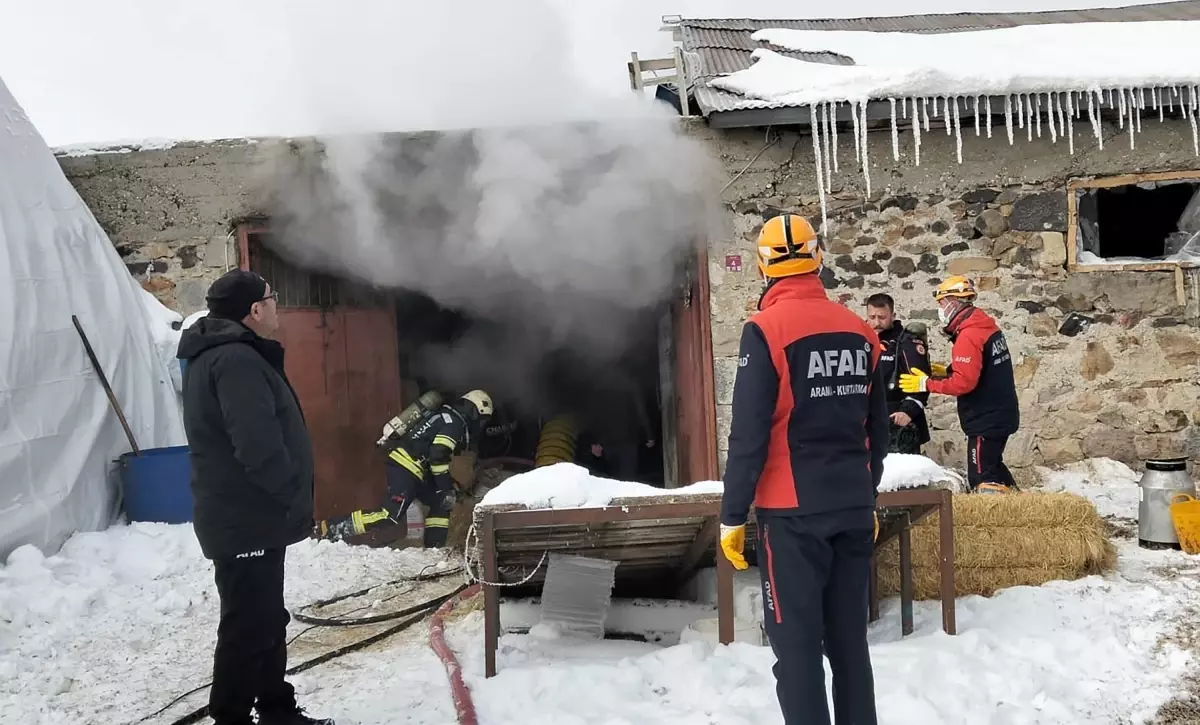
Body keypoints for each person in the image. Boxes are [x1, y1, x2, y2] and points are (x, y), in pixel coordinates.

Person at [718, 213, 888, 725]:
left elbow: (748, 434)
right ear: (817, 258)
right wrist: (868, 495)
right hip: (853, 508)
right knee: (850, 648)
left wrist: (732, 516)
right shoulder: (861, 330)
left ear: (763, 267)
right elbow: (876, 432)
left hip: (791, 517)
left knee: (796, 652)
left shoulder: (764, 329)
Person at [177, 269, 333, 725]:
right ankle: (231, 717)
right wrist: (291, 493)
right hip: (245, 516)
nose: (277, 304)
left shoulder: (229, 355)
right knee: (249, 625)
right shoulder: (235, 361)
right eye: (273, 297)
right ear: (255, 310)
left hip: (253, 516)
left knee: (266, 619)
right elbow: (257, 446)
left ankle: (276, 710)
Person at [316, 390, 493, 547]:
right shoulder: (455, 423)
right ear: (475, 411)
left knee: (442, 502)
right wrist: (445, 486)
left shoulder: (444, 414)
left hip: (417, 469)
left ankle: (434, 549)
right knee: (390, 515)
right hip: (406, 466)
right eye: (482, 419)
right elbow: (438, 454)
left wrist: (446, 488)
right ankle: (331, 528)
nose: (481, 425)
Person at [899, 275, 1020, 494]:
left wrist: (926, 383)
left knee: (982, 479)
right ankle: (1022, 507)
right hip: (1001, 412)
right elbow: (982, 366)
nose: (940, 309)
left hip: (986, 419)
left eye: (942, 303)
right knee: (994, 466)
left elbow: (963, 384)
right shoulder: (984, 325)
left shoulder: (968, 335)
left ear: (954, 302)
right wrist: (946, 371)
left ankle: (995, 522)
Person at [864, 293, 932, 454]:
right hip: (869, 421)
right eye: (872, 317)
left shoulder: (906, 342)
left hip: (898, 421)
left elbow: (921, 382)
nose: (876, 323)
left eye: (882, 317)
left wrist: (908, 411)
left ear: (892, 316)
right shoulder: (861, 339)